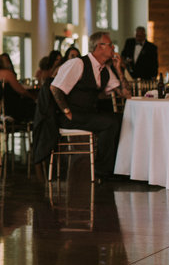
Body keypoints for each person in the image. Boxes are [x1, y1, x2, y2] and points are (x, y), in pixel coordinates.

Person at [50, 32, 127, 179]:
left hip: (88, 114)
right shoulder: (78, 63)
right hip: (70, 116)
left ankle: (115, 167)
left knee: (122, 120)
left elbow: (125, 94)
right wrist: (66, 111)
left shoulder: (105, 69)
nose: (113, 48)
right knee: (110, 123)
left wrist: (119, 70)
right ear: (99, 47)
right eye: (110, 44)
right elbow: (55, 88)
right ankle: (102, 169)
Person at [0, 49, 36, 123]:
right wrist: (32, 97)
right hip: (10, 109)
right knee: (34, 106)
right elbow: (21, 90)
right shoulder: (6, 73)